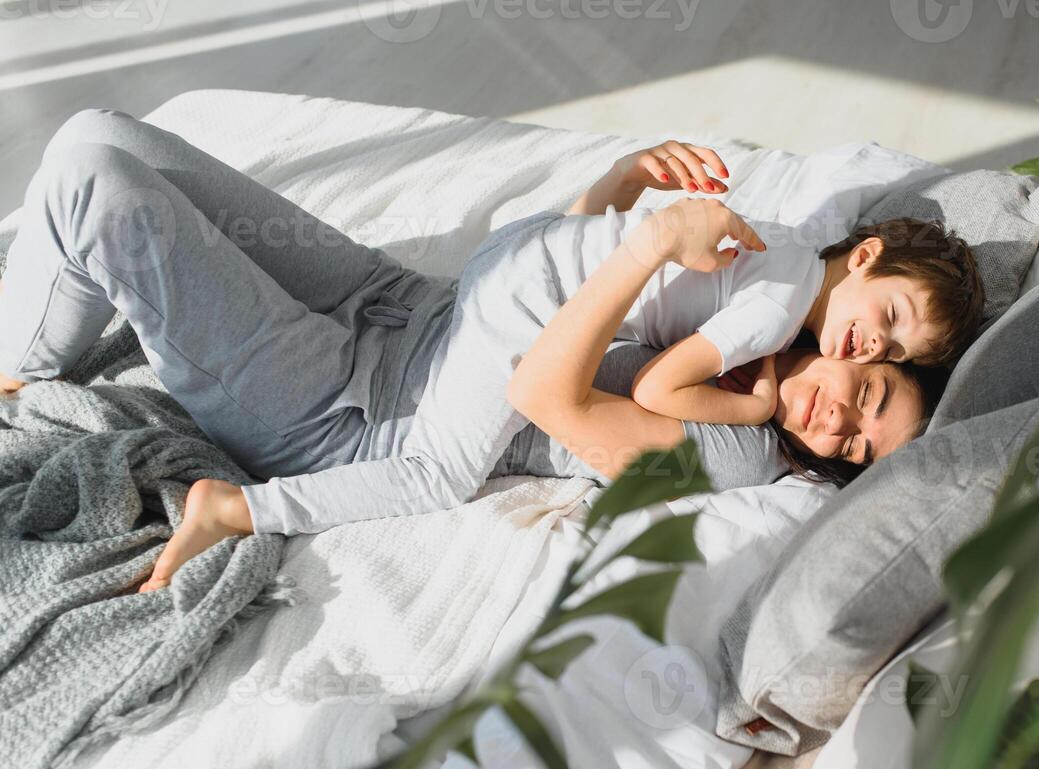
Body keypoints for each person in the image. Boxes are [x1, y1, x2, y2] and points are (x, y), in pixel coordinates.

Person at [0, 111, 946, 592]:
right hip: (400, 305)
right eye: (868, 393)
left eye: (854, 451)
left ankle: (11, 358)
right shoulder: (758, 312)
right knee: (98, 132)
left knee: (92, 186)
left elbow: (542, 386)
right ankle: (26, 349)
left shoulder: (736, 447)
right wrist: (616, 194)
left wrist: (647, 246)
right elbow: (545, 286)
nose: (838, 424)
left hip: (346, 414)